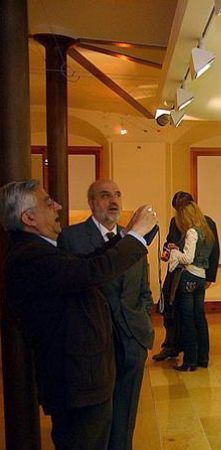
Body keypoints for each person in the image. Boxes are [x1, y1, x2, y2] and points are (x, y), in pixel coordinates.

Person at [0, 180, 157, 450]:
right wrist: (136, 237)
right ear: (28, 217)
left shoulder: (38, 250)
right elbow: (91, 272)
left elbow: (86, 265)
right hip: (76, 380)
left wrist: (126, 237)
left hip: (88, 373)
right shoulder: (30, 256)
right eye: (48, 202)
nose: (57, 206)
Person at [57, 180, 154, 450]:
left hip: (133, 339)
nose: (113, 201)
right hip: (96, 344)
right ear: (91, 202)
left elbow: (143, 288)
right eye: (104, 195)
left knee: (126, 414)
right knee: (97, 419)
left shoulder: (133, 237)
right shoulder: (72, 238)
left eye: (117, 195)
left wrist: (144, 321)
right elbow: (78, 283)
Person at [152, 192, 219, 362]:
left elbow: (214, 252)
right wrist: (168, 250)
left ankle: (194, 354)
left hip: (191, 272)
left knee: (191, 316)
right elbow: (169, 241)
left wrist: (210, 277)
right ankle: (172, 346)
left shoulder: (207, 223)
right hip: (176, 272)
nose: (179, 213)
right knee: (169, 307)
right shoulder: (175, 222)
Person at [166, 201, 215, 371]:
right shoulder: (207, 230)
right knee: (199, 319)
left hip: (188, 278)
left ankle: (189, 361)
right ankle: (203, 358)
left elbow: (187, 259)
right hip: (201, 278)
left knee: (187, 321)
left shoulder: (192, 231)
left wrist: (174, 252)